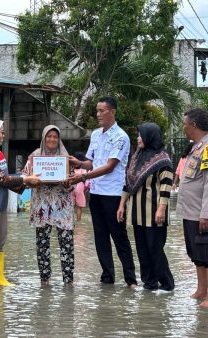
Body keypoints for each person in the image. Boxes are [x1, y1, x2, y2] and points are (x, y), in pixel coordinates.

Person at [66, 96, 137, 288]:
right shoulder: (96, 134)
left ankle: (130, 278)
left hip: (113, 194)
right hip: (96, 192)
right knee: (100, 236)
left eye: (102, 111)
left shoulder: (121, 137)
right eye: (96, 110)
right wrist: (79, 164)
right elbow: (92, 162)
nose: (98, 115)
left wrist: (82, 177)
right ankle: (107, 277)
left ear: (112, 112)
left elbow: (109, 167)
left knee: (119, 236)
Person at [0, 118, 41, 291]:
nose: (3, 135)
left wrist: (26, 184)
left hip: (0, 202)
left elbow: (7, 181)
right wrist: (26, 179)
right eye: (0, 132)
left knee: (0, 241)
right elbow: (1, 179)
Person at [116, 122, 175, 291]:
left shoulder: (163, 159)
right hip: (137, 214)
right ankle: (149, 284)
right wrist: (122, 205)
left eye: (141, 135)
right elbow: (128, 184)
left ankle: (167, 285)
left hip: (155, 213)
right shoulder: (136, 158)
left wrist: (162, 209)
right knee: (142, 250)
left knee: (155, 250)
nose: (138, 138)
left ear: (150, 137)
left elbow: (166, 186)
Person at [176, 108, 208, 307]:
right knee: (195, 253)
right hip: (191, 212)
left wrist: (206, 215)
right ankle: (201, 289)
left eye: (185, 123)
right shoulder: (196, 147)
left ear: (193, 125)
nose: (183, 127)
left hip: (202, 214)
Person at [23, 125, 75, 286]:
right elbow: (24, 178)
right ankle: (44, 280)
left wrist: (67, 183)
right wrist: (32, 180)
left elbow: (74, 183)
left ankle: (68, 280)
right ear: (44, 138)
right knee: (42, 243)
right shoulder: (35, 156)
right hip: (42, 207)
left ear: (59, 139)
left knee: (66, 244)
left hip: (63, 207)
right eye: (49, 136)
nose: (52, 139)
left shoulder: (66, 158)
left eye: (55, 137)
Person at [72, 152, 89, 222]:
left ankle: (71, 221)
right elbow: (87, 182)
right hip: (79, 189)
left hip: (71, 188)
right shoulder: (83, 170)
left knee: (71, 206)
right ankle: (78, 221)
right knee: (79, 207)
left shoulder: (71, 169)